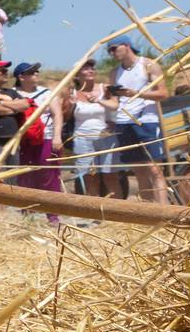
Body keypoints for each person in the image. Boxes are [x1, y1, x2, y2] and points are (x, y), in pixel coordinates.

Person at [108, 40, 170, 203]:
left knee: (154, 169)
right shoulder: (115, 72)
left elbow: (163, 93)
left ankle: (164, 211)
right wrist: (97, 101)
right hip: (123, 122)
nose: (112, 52)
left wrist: (136, 94)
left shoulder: (148, 65)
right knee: (138, 170)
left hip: (146, 120)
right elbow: (115, 102)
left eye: (115, 48)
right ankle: (148, 212)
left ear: (127, 46)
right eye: (110, 50)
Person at [62, 60, 121, 198]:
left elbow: (115, 105)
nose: (90, 70)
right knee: (90, 177)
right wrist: (70, 105)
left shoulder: (105, 88)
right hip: (82, 138)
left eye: (92, 67)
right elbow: (65, 117)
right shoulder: (72, 92)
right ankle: (96, 214)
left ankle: (118, 215)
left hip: (106, 136)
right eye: (85, 68)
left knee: (111, 176)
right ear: (76, 75)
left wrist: (99, 100)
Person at [11, 63, 65, 214]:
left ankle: (53, 214)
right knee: (25, 177)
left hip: (46, 138)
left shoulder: (47, 93)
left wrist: (57, 136)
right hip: (22, 141)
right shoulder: (12, 93)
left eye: (37, 71)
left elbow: (57, 114)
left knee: (49, 176)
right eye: (32, 72)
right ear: (21, 77)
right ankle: (28, 213)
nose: (36, 73)